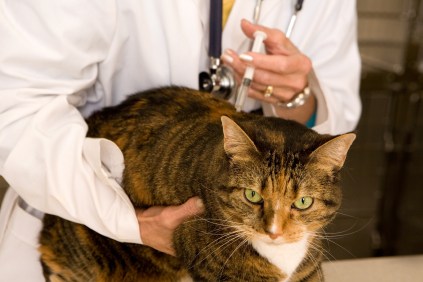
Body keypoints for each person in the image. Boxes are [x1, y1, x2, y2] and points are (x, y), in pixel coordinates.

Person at [0, 0, 361, 280]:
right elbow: (13, 105)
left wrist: (298, 99)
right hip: (86, 224)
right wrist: (124, 220)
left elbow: (337, 122)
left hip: (243, 224)